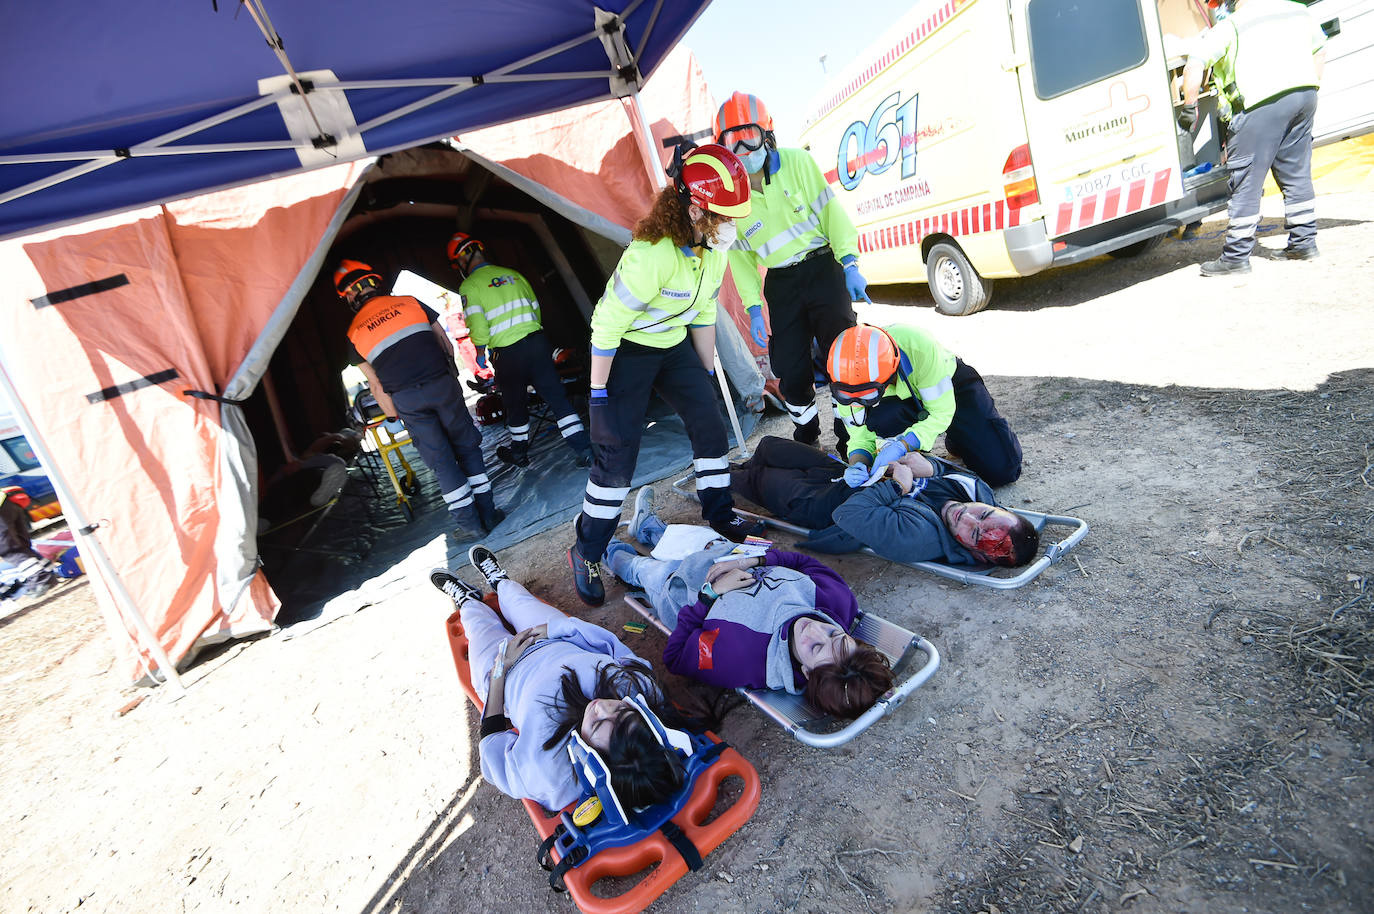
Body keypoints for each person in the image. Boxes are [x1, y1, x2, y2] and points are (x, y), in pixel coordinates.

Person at [568, 144, 765, 608]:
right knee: (617, 459)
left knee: (709, 424)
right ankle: (587, 549)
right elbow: (606, 323)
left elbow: (700, 312)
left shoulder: (711, 250)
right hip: (628, 350)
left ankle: (721, 515)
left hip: (673, 342)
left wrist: (703, 374)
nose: (732, 228)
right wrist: (598, 397)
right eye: (725, 216)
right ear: (696, 208)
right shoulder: (650, 255)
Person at [431, 545, 693, 813]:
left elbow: (491, 750)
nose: (601, 706)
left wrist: (500, 670)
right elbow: (610, 645)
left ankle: (468, 601)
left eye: (599, 724)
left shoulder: (548, 773)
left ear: (594, 761)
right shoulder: (639, 692)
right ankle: (500, 582)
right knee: (521, 603)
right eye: (620, 711)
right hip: (556, 636)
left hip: (506, 674)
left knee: (478, 627)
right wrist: (550, 630)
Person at [602, 489, 894, 720]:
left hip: (679, 590)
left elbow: (675, 657)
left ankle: (602, 547)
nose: (816, 629)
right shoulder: (838, 603)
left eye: (815, 648)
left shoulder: (744, 661)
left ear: (806, 672)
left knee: (643, 570)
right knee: (695, 540)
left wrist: (709, 595)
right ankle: (648, 527)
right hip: (728, 555)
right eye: (834, 635)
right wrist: (752, 560)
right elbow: (804, 562)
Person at [714, 91, 864, 447]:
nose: (743, 150)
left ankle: (850, 438)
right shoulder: (730, 196)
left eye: (748, 136)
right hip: (781, 283)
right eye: (732, 142)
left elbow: (833, 215)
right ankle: (807, 434)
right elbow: (741, 258)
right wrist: (753, 308)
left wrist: (850, 263)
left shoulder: (799, 164)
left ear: (767, 134)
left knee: (840, 358)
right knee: (791, 369)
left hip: (823, 270)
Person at [336, 259, 505, 538]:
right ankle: (489, 513)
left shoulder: (353, 333)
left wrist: (392, 416)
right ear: (375, 283)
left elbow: (377, 387)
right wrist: (449, 377)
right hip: (441, 384)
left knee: (441, 461)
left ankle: (471, 526)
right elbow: (446, 343)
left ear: (352, 295)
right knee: (467, 446)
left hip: (407, 400)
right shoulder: (411, 303)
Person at [730, 436, 1039, 568]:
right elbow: (948, 470)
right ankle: (739, 469)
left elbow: (847, 514)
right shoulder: (977, 492)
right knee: (769, 446)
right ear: (998, 508)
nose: (966, 517)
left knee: (754, 476)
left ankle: (720, 475)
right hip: (847, 475)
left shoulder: (918, 539)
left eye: (973, 533)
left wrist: (897, 488)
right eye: (983, 514)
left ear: (973, 552)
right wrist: (932, 468)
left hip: (818, 505)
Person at [1182, 0, 1327, 275]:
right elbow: (1320, 50)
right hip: (1305, 96)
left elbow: (1194, 65)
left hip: (1259, 105)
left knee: (1246, 180)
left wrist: (1190, 107)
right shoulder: (1298, 10)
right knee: (1296, 172)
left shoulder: (1230, 26)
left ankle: (1236, 257)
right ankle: (1304, 242)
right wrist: (1308, 90)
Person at [446, 233, 593, 469]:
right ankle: (584, 449)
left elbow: (478, 325)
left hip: (508, 353)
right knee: (557, 398)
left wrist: (481, 352)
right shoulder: (515, 275)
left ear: (462, 261)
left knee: (515, 403)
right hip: (536, 343)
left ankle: (519, 452)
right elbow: (535, 310)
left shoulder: (470, 285)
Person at [827, 324, 1022, 488]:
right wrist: (856, 465)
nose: (859, 401)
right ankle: (927, 451)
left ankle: (959, 438)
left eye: (868, 395)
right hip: (900, 404)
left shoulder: (918, 346)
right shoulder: (845, 377)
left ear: (892, 372)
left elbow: (940, 413)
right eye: (854, 397)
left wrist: (902, 445)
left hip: (951, 387)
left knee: (1002, 470)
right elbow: (859, 438)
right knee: (882, 418)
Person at [0, 487, 58, 604]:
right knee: (21, 545)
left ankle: (41, 579)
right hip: (8, 502)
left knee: (9, 550)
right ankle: (48, 576)